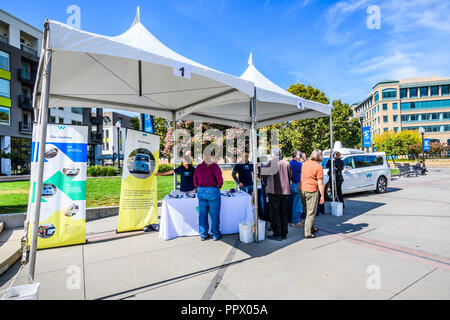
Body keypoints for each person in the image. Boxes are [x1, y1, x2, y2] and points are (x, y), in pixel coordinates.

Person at [260, 148, 292, 241]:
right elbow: (290, 175)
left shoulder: (272, 163)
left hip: (274, 192)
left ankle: (277, 234)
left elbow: (262, 175)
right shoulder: (286, 163)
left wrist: (260, 168)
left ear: (273, 154)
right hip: (285, 192)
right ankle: (284, 233)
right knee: (284, 213)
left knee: (275, 214)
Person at [193, 155, 224, 241]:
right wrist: (219, 186)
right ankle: (216, 234)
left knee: (202, 214)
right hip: (212, 191)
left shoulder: (198, 167)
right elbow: (220, 180)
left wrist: (199, 187)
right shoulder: (214, 166)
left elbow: (195, 181)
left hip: (201, 191)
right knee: (214, 214)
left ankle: (203, 234)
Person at [299, 150, 325, 239]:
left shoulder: (304, 164)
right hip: (311, 190)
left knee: (307, 211)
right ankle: (308, 233)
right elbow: (320, 182)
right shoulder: (319, 167)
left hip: (302, 189)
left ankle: (311, 228)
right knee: (311, 213)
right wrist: (322, 195)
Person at [289, 150, 304, 228]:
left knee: (295, 203)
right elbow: (307, 168)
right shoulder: (298, 164)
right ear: (297, 156)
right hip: (297, 184)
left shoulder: (291, 162)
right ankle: (295, 221)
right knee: (298, 204)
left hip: (293, 184)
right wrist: (305, 159)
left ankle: (296, 219)